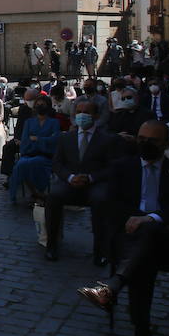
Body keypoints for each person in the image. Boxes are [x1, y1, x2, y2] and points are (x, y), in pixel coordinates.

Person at [76, 121, 169, 336]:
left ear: (165, 143)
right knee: (144, 259)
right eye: (141, 138)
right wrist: (150, 221)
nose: (144, 144)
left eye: (152, 140)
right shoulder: (123, 168)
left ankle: (113, 288)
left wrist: (151, 218)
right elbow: (111, 206)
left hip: (168, 244)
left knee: (149, 234)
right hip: (129, 240)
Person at [43, 100, 124, 262]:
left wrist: (91, 178)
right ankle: (51, 245)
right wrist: (70, 177)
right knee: (53, 197)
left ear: (96, 116)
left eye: (86, 112)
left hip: (95, 183)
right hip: (70, 182)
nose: (81, 116)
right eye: (78, 112)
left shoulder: (107, 139)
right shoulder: (66, 138)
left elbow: (112, 167)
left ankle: (100, 250)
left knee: (100, 200)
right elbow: (57, 163)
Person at [9, 95, 60, 204]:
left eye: (43, 104)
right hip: (29, 153)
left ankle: (38, 192)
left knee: (37, 163)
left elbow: (54, 139)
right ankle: (36, 193)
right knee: (21, 165)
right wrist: (39, 141)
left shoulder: (54, 122)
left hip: (46, 155)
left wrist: (38, 139)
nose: (40, 106)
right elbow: (25, 139)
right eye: (38, 105)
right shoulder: (29, 122)